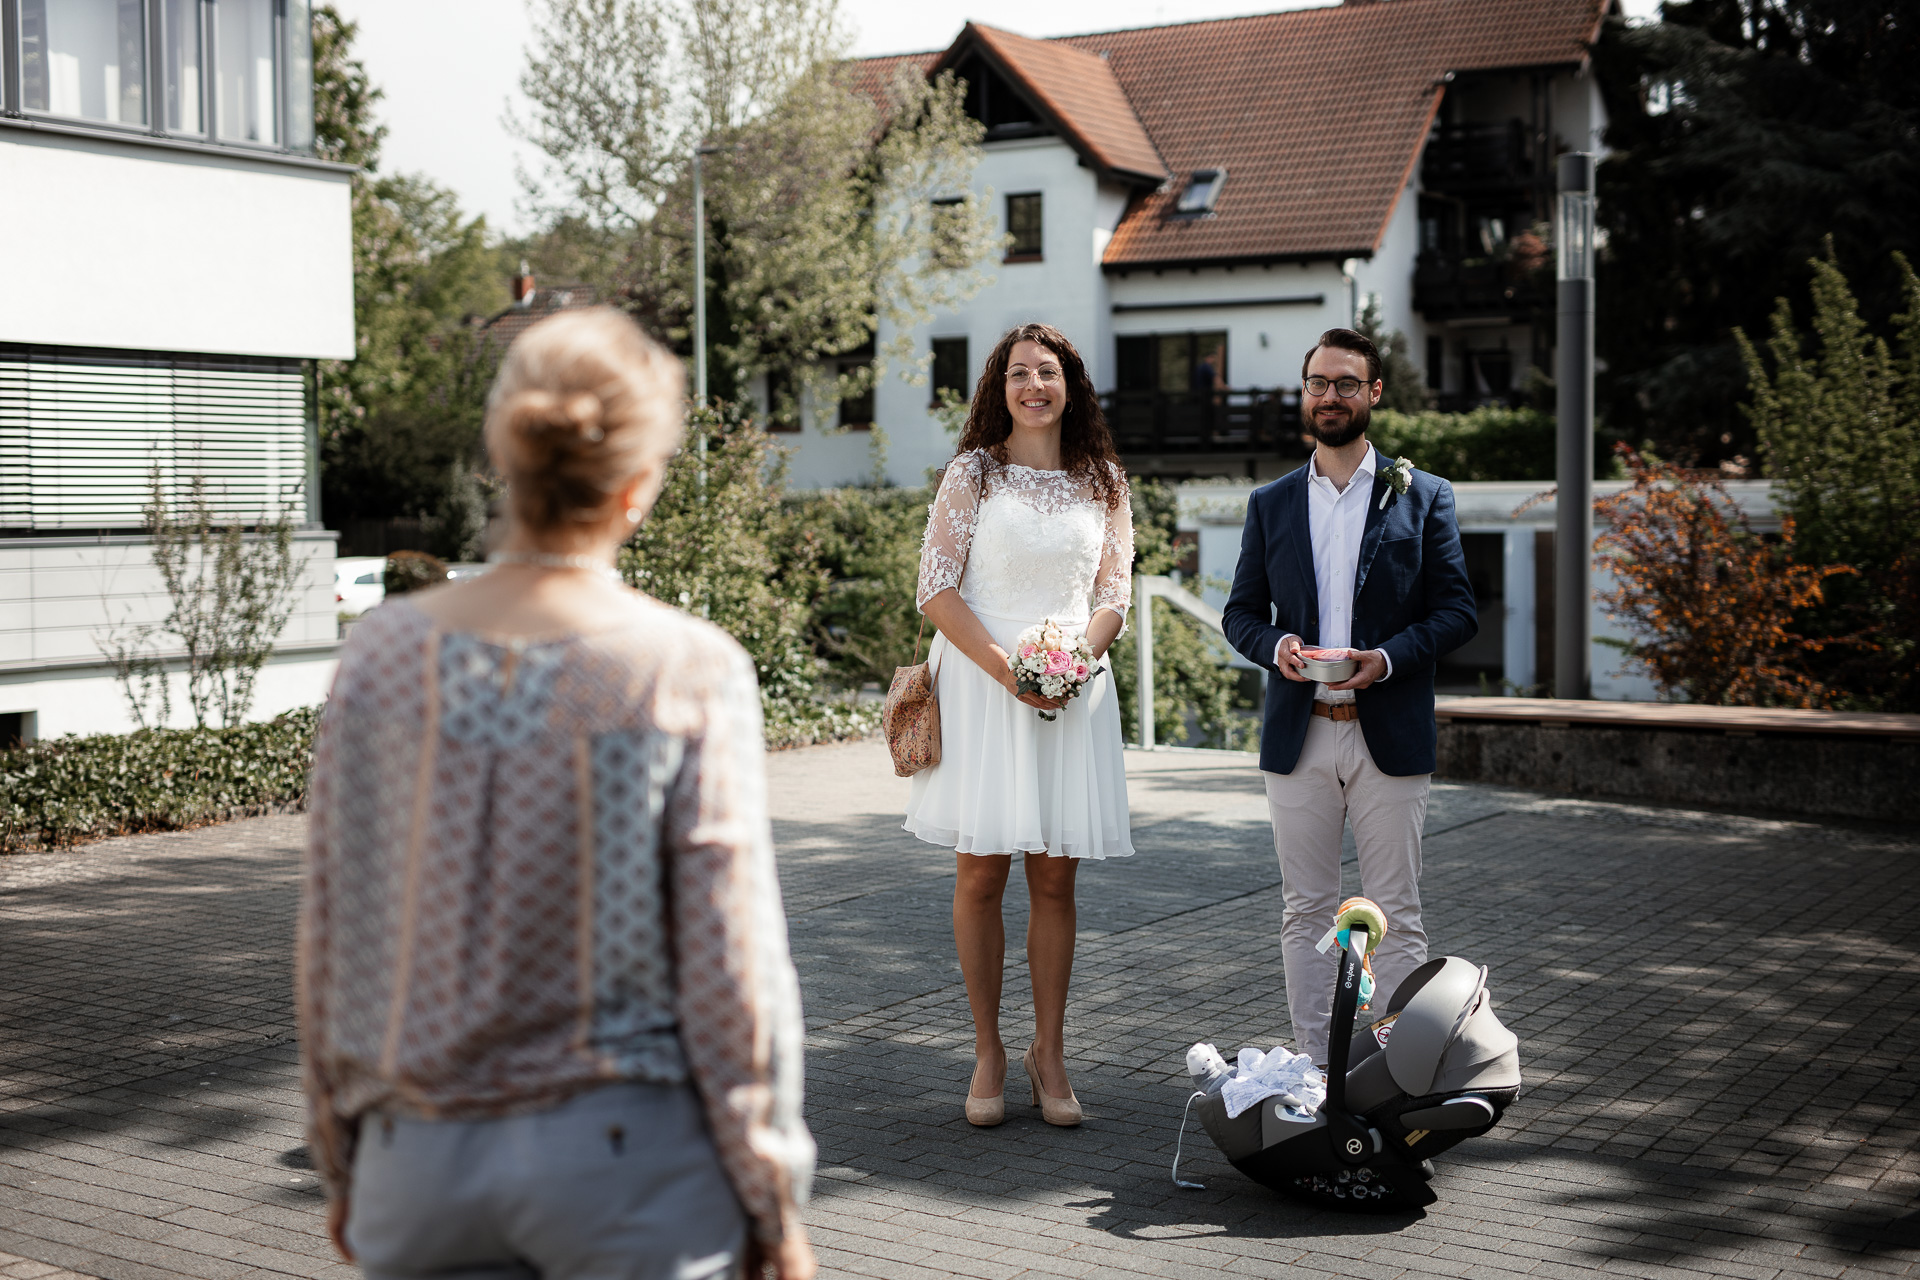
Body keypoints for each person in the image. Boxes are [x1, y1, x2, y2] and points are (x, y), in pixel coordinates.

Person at [299, 308, 816, 1280]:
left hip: (420, 1158)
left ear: (504, 451)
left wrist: (340, 1151)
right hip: (627, 1165)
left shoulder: (382, 654)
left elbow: (337, 928)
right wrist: (773, 1189)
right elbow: (733, 962)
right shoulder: (683, 668)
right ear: (639, 484)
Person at [1221, 327, 1476, 1069]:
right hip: (1299, 734)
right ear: (1305, 392)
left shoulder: (1422, 494)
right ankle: (1316, 1071)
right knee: (1304, 912)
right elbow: (1241, 614)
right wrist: (1279, 649)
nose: (1328, 396)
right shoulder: (1270, 503)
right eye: (1316, 383)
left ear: (1373, 393)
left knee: (1396, 916)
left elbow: (1457, 611)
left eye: (1344, 383)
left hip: (1387, 733)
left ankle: (1397, 1076)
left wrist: (1387, 659)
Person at [906, 322, 1135, 1128]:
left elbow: (1114, 595)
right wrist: (1013, 671)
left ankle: (1050, 1051)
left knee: (1055, 877)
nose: (1033, 386)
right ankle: (987, 1050)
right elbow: (935, 589)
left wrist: (1072, 663)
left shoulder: (1103, 478)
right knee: (980, 873)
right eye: (1018, 374)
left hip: (1074, 689)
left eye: (1047, 373)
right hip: (981, 682)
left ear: (1070, 384)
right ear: (999, 389)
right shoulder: (974, 472)